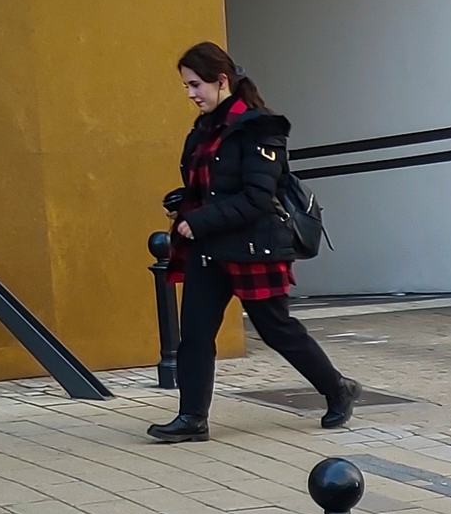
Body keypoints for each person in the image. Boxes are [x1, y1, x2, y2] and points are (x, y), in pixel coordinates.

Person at [148, 44, 357, 445]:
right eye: (186, 86)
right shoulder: (203, 129)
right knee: (194, 334)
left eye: (195, 84)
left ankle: (338, 390)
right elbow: (211, 187)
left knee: (277, 329)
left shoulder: (261, 128)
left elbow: (258, 197)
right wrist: (184, 201)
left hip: (253, 247)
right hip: (211, 248)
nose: (190, 93)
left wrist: (200, 220)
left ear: (221, 81)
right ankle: (192, 417)